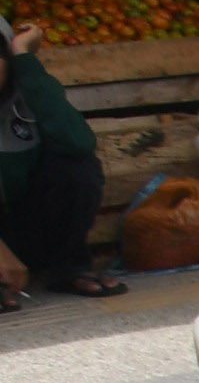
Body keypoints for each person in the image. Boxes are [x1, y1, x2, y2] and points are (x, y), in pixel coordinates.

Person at [0, 16, 118, 310]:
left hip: (23, 230)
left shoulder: (26, 91)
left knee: (75, 169)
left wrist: (25, 59)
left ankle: (69, 269)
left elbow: (77, 144)